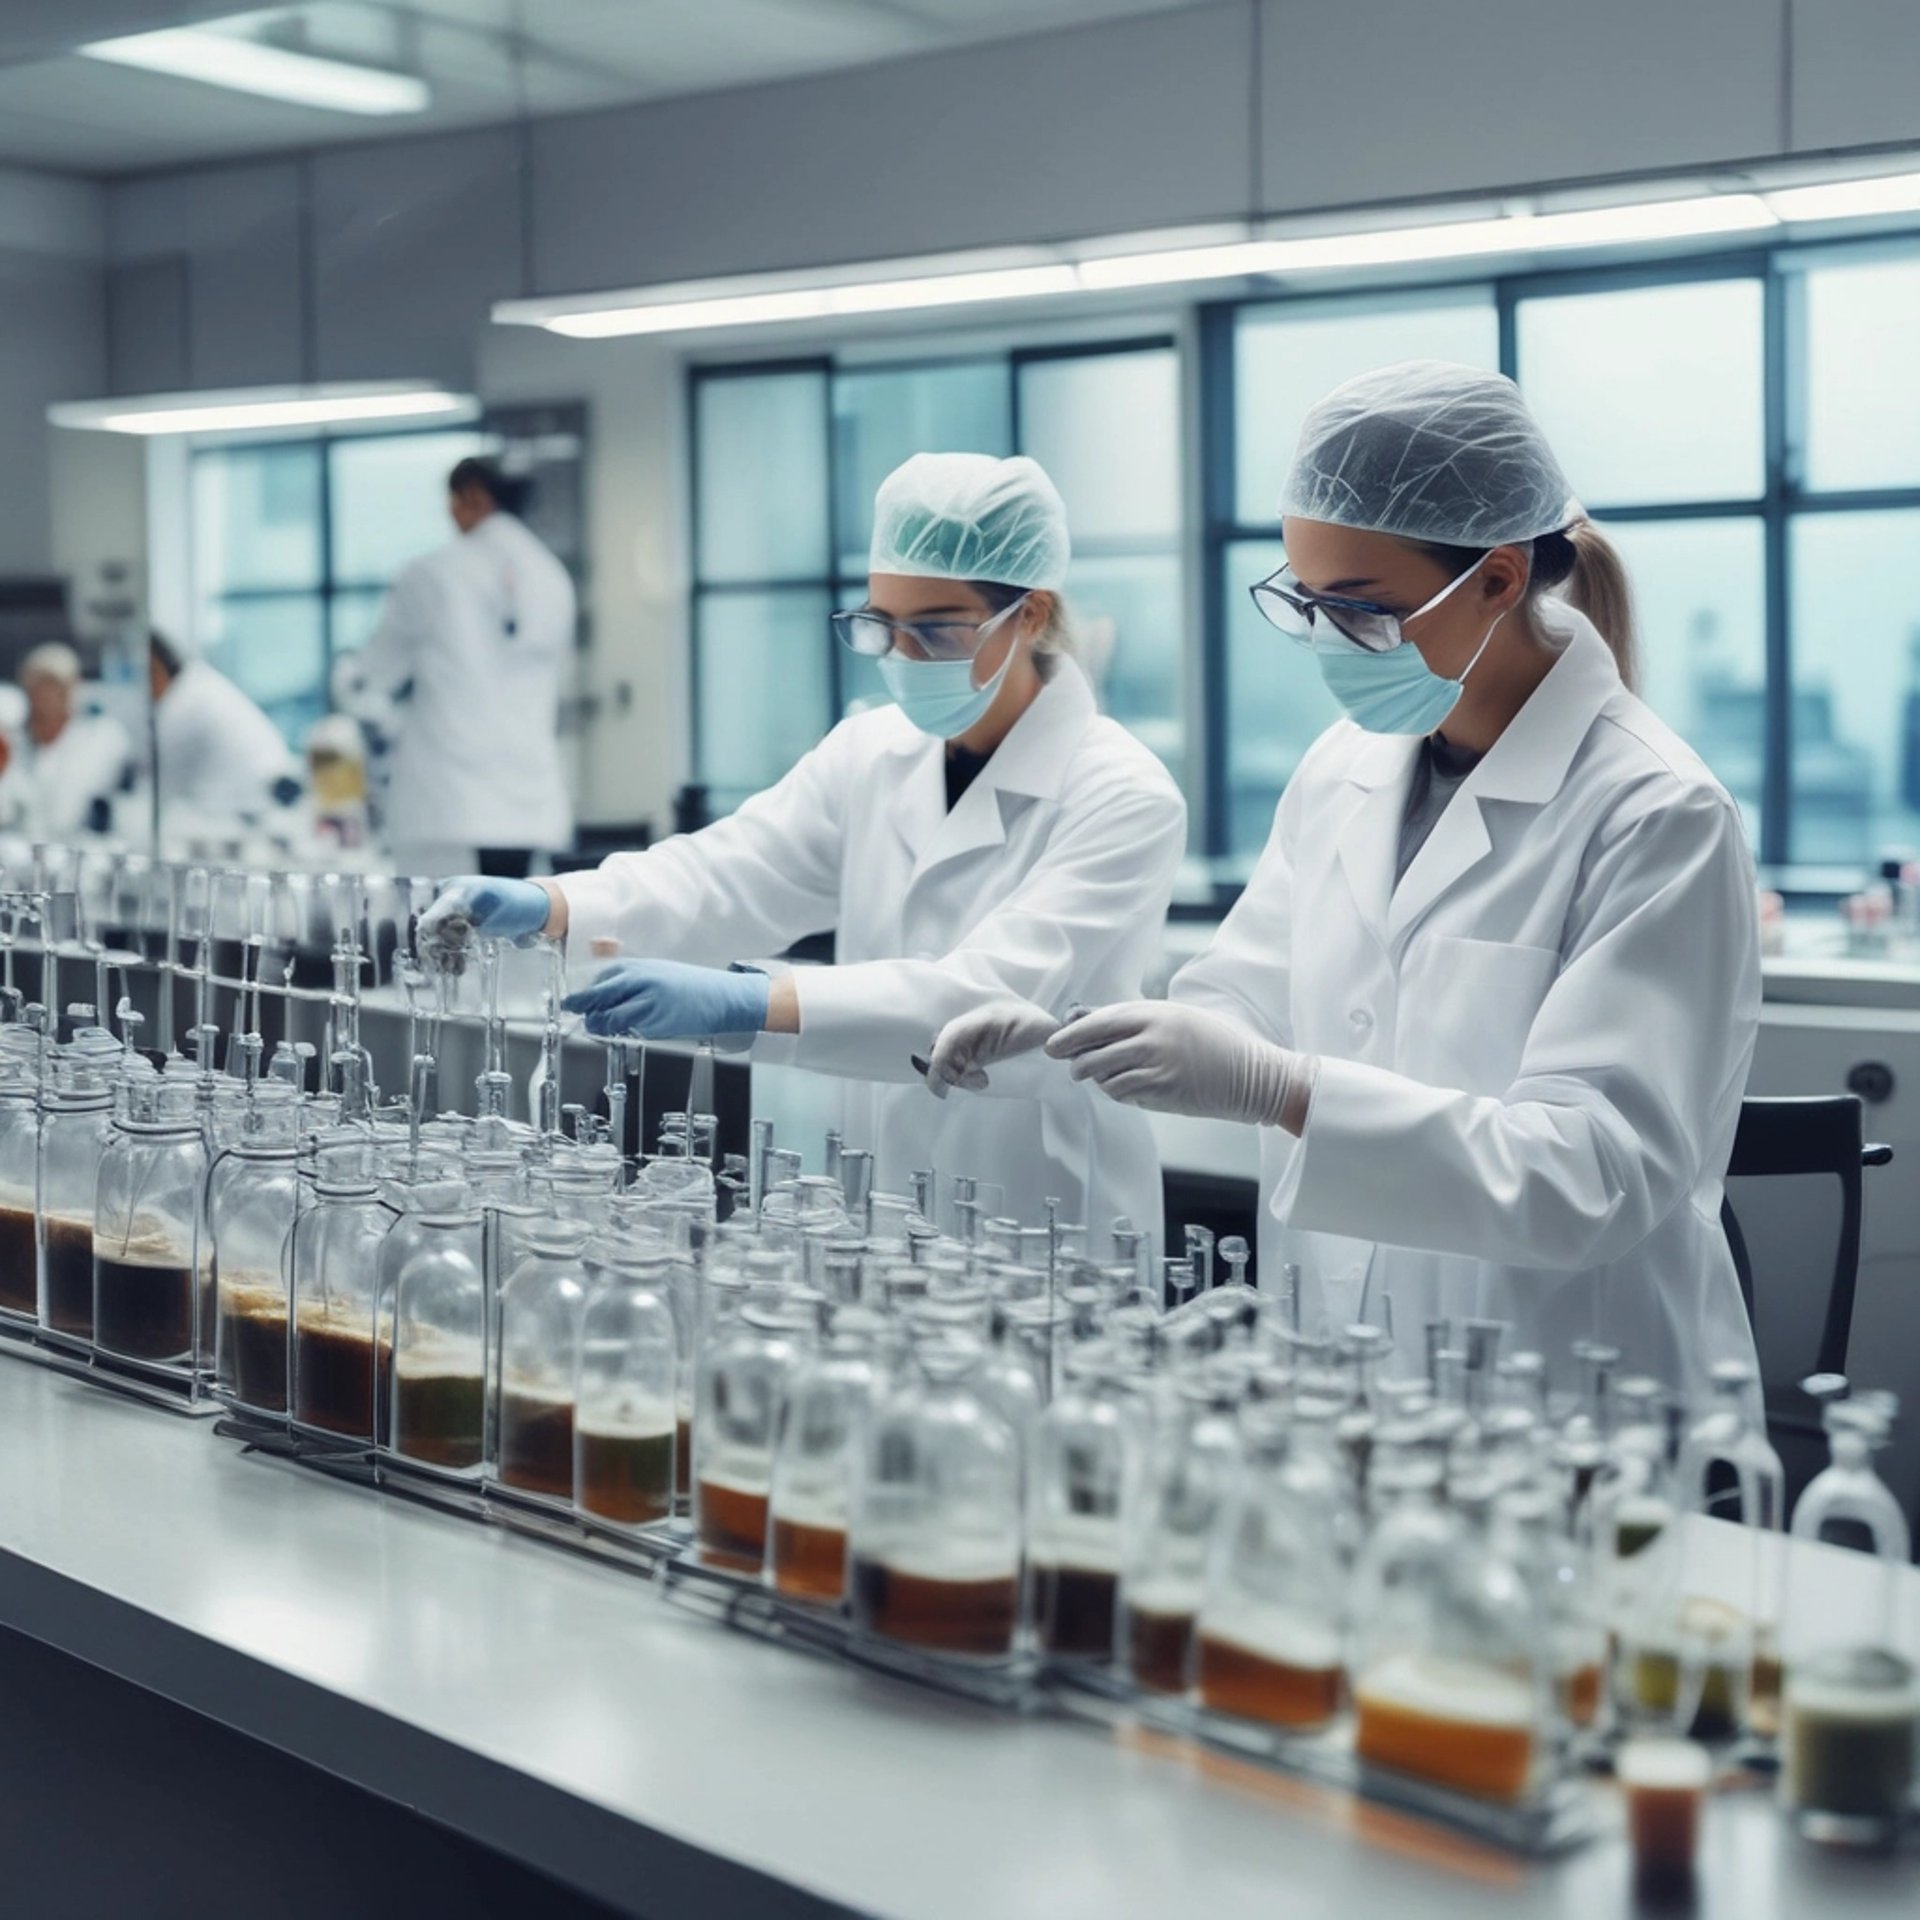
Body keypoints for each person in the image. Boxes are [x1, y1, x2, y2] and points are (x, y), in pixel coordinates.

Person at [932, 363, 1760, 1401]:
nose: (1331, 642)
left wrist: (1291, 1090)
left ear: (1500, 579)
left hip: (1568, 1404)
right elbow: (1238, 1003)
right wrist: (1076, 1035)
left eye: (1364, 612)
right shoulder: (1345, 766)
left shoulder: (1657, 812)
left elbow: (1589, 1175)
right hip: (1344, 1377)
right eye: (1308, 602)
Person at [425, 452, 1187, 1241]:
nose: (902, 656)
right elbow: (727, 874)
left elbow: (976, 1003)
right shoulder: (869, 753)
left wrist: (750, 1001)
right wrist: (555, 904)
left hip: (1043, 1218)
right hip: (876, 1208)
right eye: (881, 626)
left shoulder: (1121, 794)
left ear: (1029, 614)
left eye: (934, 630)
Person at [345, 457, 575, 878]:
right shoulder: (553, 577)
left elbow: (377, 670)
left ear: (473, 495)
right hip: (526, 794)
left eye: (451, 501)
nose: (450, 514)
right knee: (516, 930)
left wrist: (347, 679)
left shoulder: (433, 572)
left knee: (445, 930)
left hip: (448, 799)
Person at [149, 631, 297, 821]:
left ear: (154, 663)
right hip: (259, 804)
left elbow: (162, 785)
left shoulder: (185, 702)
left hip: (244, 813)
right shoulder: (198, 685)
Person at [17, 643, 130, 838]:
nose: (49, 697)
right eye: (41, 687)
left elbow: (77, 804)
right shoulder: (14, 740)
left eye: (57, 687)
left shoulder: (101, 736)